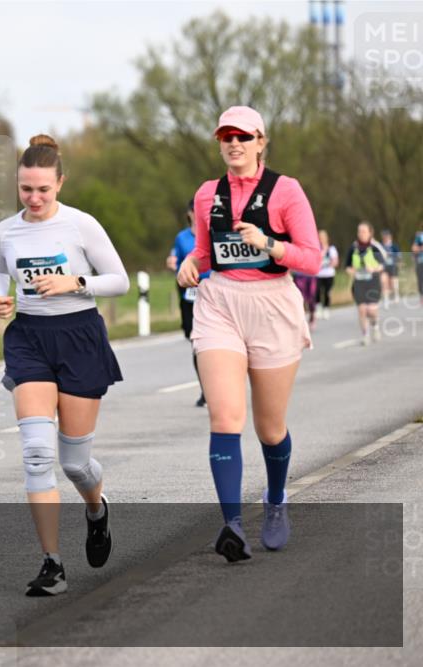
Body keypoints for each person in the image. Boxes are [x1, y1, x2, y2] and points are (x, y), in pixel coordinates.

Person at [0, 135, 129, 596]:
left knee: (74, 462)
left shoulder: (81, 225)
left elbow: (120, 280)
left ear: (60, 183)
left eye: (43, 190)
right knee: (36, 454)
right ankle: (52, 564)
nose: (34, 198)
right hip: (29, 338)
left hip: (79, 337)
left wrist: (76, 280)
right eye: (26, 189)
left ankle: (96, 509)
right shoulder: (5, 231)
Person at [177, 106, 320, 563]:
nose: (233, 143)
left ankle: (276, 500)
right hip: (220, 304)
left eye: (243, 136)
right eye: (226, 137)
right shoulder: (206, 194)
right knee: (224, 419)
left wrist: (269, 244)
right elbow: (203, 249)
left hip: (273, 305)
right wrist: (190, 264)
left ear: (261, 141)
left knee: (270, 427)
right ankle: (232, 525)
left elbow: (312, 259)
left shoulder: (286, 191)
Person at [166, 199, 209, 407]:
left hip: (211, 294)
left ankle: (212, 389)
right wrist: (172, 262)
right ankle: (205, 388)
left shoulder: (211, 235)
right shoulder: (182, 238)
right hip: (189, 296)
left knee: (210, 343)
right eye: (194, 211)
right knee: (196, 344)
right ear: (190, 213)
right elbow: (176, 259)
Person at [344, 222, 387, 346]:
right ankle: (365, 335)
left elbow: (382, 264)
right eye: (359, 231)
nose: (361, 234)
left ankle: (375, 326)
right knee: (362, 310)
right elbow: (346, 266)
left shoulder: (375, 247)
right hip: (359, 283)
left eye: (364, 231)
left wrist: (373, 269)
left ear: (370, 233)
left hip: (373, 282)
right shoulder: (353, 248)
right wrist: (351, 271)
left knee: (371, 311)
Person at [314, 229, 339, 320]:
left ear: (327, 238)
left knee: (327, 292)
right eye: (320, 237)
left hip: (329, 274)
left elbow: (335, 261)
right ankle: (318, 308)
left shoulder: (331, 248)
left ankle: (326, 309)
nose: (321, 239)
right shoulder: (316, 248)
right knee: (317, 292)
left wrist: (328, 264)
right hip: (318, 274)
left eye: (323, 237)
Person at [380, 229, 401, 305]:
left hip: (393, 265)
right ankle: (386, 298)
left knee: (393, 282)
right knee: (384, 281)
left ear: (389, 236)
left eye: (386, 235)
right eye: (383, 236)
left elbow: (399, 256)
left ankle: (396, 295)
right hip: (384, 266)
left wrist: (398, 262)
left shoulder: (394, 246)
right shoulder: (380, 246)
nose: (385, 237)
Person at [413, 228, 423, 300]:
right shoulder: (420, 237)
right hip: (420, 261)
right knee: (420, 280)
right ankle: (421, 296)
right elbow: (414, 249)